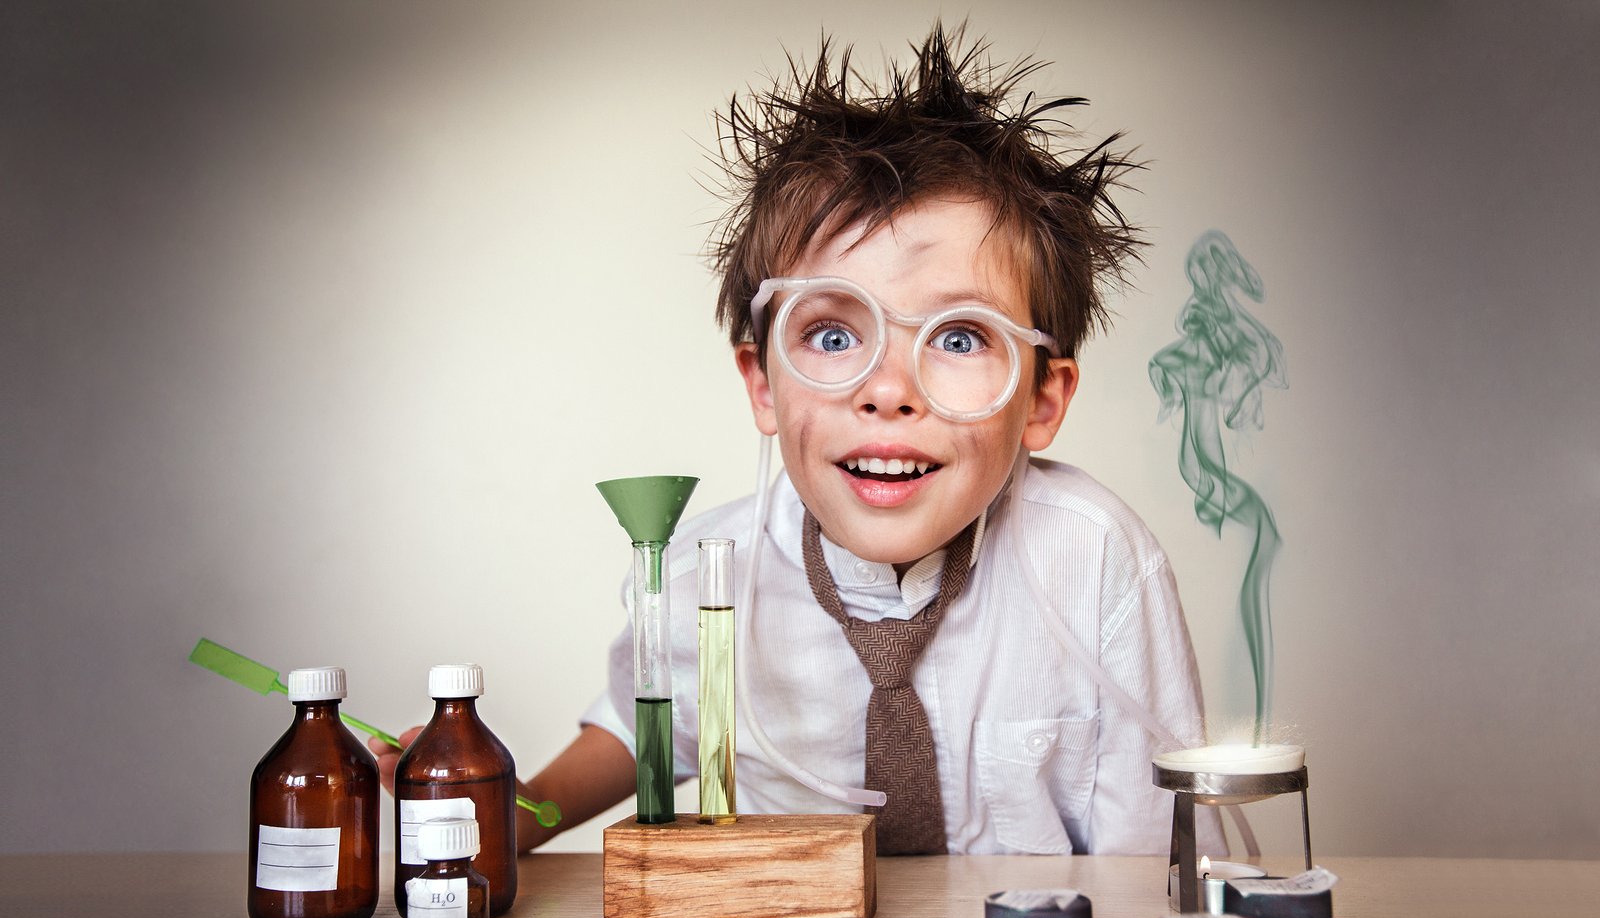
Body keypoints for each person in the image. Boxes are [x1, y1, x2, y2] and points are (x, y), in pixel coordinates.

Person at [373, 24, 1223, 857]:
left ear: (1042, 398)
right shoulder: (709, 567)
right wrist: (510, 815)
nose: (889, 391)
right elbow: (643, 729)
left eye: (959, 338)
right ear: (761, 382)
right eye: (831, 335)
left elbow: (1152, 855)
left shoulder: (1097, 558)